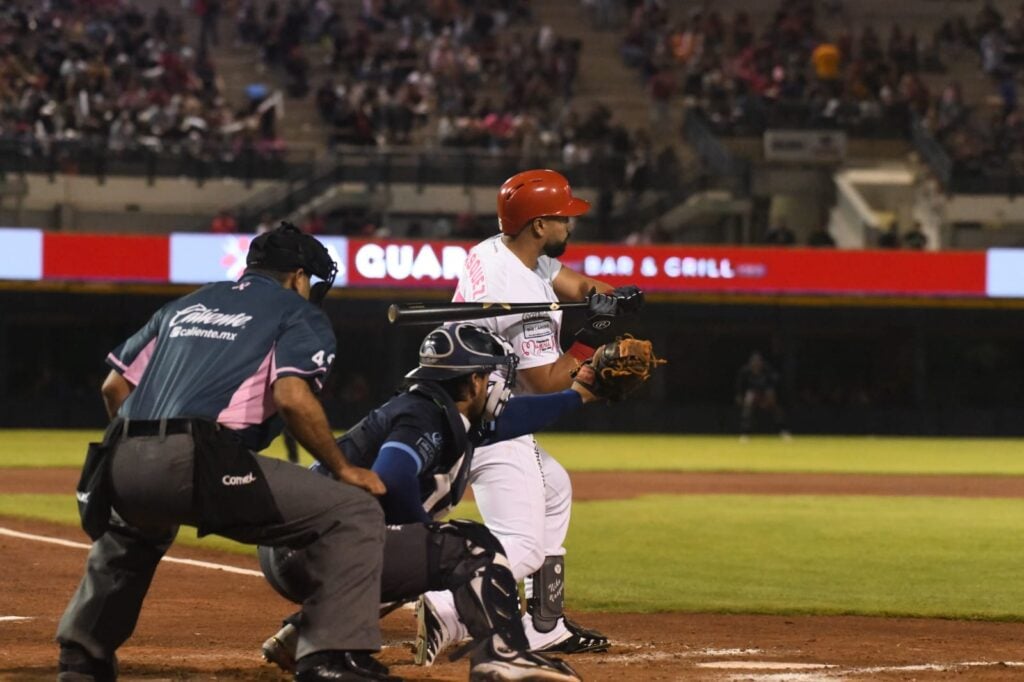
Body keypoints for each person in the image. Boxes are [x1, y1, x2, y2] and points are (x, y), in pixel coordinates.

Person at [55, 224, 393, 682]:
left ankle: (82, 656)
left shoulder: (185, 304)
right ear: (298, 276)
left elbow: (113, 387)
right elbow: (292, 397)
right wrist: (343, 467)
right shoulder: (298, 312)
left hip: (120, 452)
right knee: (353, 513)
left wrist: (147, 454)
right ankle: (328, 656)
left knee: (133, 531)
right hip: (203, 454)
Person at [260, 321, 613, 679]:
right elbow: (393, 478)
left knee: (411, 552)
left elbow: (514, 419)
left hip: (301, 547)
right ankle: (503, 658)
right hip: (312, 552)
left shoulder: (440, 410)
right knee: (469, 547)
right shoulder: (424, 415)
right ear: (474, 380)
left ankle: (309, 636)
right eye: (492, 375)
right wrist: (430, 540)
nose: (500, 386)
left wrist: (580, 394)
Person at [416, 169, 645, 664]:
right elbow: (546, 382)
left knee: (554, 487)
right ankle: (447, 607)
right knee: (522, 545)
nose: (570, 225)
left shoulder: (495, 249)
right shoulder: (527, 294)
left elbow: (577, 284)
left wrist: (610, 298)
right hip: (490, 416)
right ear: (539, 225)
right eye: (563, 218)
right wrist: (592, 337)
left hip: (451, 405)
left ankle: (543, 624)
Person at [735, 351, 790, 441]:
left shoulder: (768, 370)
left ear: (761, 363)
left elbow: (772, 387)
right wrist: (739, 396)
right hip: (752, 395)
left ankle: (783, 430)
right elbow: (740, 388)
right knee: (749, 400)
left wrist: (768, 400)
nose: (756, 364)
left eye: (758, 362)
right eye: (754, 362)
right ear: (750, 363)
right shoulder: (745, 372)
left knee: (776, 407)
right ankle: (745, 433)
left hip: (766, 395)